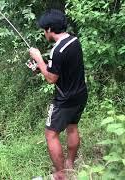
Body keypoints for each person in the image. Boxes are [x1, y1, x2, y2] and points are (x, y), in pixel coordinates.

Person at [29, 9, 88, 180]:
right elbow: (62, 68)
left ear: (49, 29)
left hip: (65, 99)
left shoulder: (57, 50)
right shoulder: (74, 41)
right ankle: (69, 164)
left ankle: (61, 175)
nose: (43, 33)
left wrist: (39, 59)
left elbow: (52, 79)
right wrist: (41, 67)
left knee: (51, 134)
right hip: (80, 94)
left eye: (43, 30)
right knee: (72, 127)